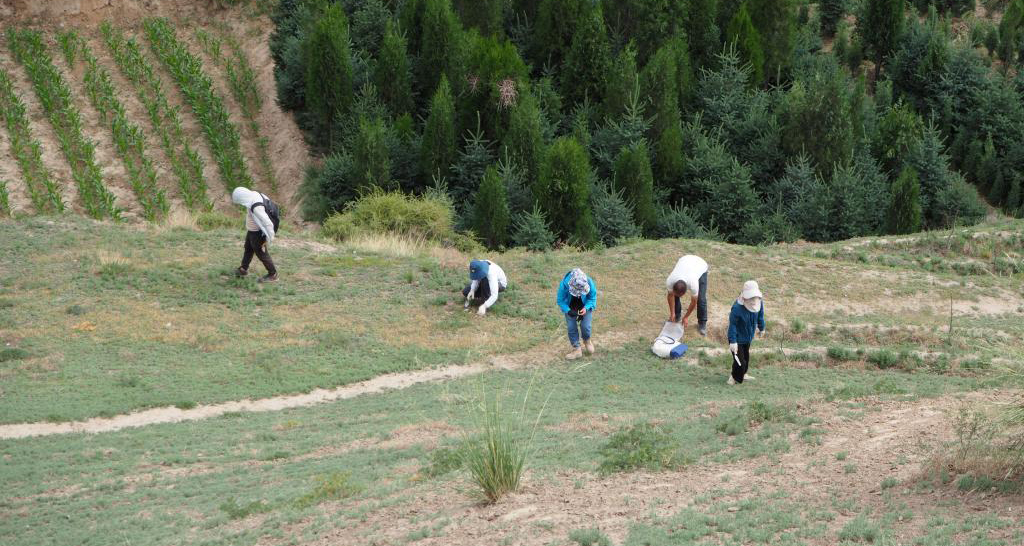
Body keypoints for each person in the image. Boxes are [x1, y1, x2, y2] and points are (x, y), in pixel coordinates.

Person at [232, 187, 279, 282]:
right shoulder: (254, 194)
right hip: (252, 231)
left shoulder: (256, 207)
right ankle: (243, 269)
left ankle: (273, 274)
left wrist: (269, 238)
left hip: (258, 233)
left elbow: (268, 223)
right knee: (248, 249)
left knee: (261, 253)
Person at [727, 280, 766, 385]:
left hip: (748, 337)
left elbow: (760, 316)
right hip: (737, 338)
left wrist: (762, 328)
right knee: (739, 361)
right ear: (745, 297)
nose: (754, 301)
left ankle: (743, 374)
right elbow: (732, 325)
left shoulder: (759, 302)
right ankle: (734, 376)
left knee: (746, 358)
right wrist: (733, 341)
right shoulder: (737, 308)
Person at [557, 268, 597, 360]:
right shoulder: (564, 284)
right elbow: (560, 300)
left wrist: (586, 308)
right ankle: (576, 349)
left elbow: (592, 297)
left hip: (584, 305)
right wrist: (568, 310)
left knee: (586, 326)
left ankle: (587, 341)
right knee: (571, 327)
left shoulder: (589, 281)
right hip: (570, 307)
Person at [665, 255, 709, 336]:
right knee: (675, 297)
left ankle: (702, 323)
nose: (680, 297)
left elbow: (693, 302)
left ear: (685, 291)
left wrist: (686, 317)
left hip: (701, 265)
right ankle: (676, 316)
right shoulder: (670, 281)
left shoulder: (693, 284)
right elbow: (670, 296)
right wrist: (672, 313)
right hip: (685, 260)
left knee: (701, 299)